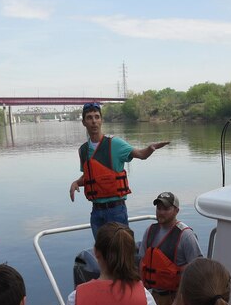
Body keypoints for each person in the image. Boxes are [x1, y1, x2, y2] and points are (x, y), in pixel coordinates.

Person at [68, 102, 169, 238]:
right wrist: (76, 183)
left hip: (115, 210)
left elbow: (140, 154)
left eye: (97, 117)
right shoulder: (83, 150)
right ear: (83, 122)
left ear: (101, 120)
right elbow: (88, 176)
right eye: (89, 118)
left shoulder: (115, 144)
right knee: (102, 254)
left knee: (120, 253)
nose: (94, 121)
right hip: (96, 212)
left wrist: (150, 149)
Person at [138, 191, 203, 305]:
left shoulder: (186, 235)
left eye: (166, 209)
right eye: (159, 208)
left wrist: (180, 300)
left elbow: (198, 269)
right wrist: (141, 293)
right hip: (154, 296)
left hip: (175, 298)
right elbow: (142, 262)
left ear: (176, 211)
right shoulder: (150, 230)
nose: (161, 212)